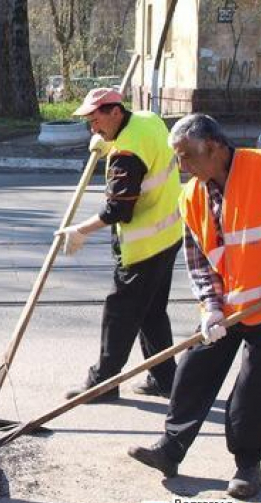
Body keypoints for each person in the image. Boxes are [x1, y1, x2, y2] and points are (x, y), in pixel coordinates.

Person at [128, 113, 261, 499]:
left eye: (188, 156)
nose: (182, 166)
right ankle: (171, 449)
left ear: (216, 148)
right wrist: (210, 308)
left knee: (255, 389)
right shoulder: (190, 196)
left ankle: (248, 466)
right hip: (224, 307)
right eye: (179, 158)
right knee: (192, 371)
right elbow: (199, 261)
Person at [57, 88, 184, 402]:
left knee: (120, 313)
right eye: (89, 121)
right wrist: (107, 143)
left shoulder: (126, 154)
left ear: (115, 112)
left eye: (96, 119)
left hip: (144, 246)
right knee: (151, 312)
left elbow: (118, 210)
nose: (93, 128)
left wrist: (80, 231)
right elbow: (147, 153)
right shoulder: (149, 119)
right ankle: (166, 377)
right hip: (169, 235)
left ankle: (103, 382)